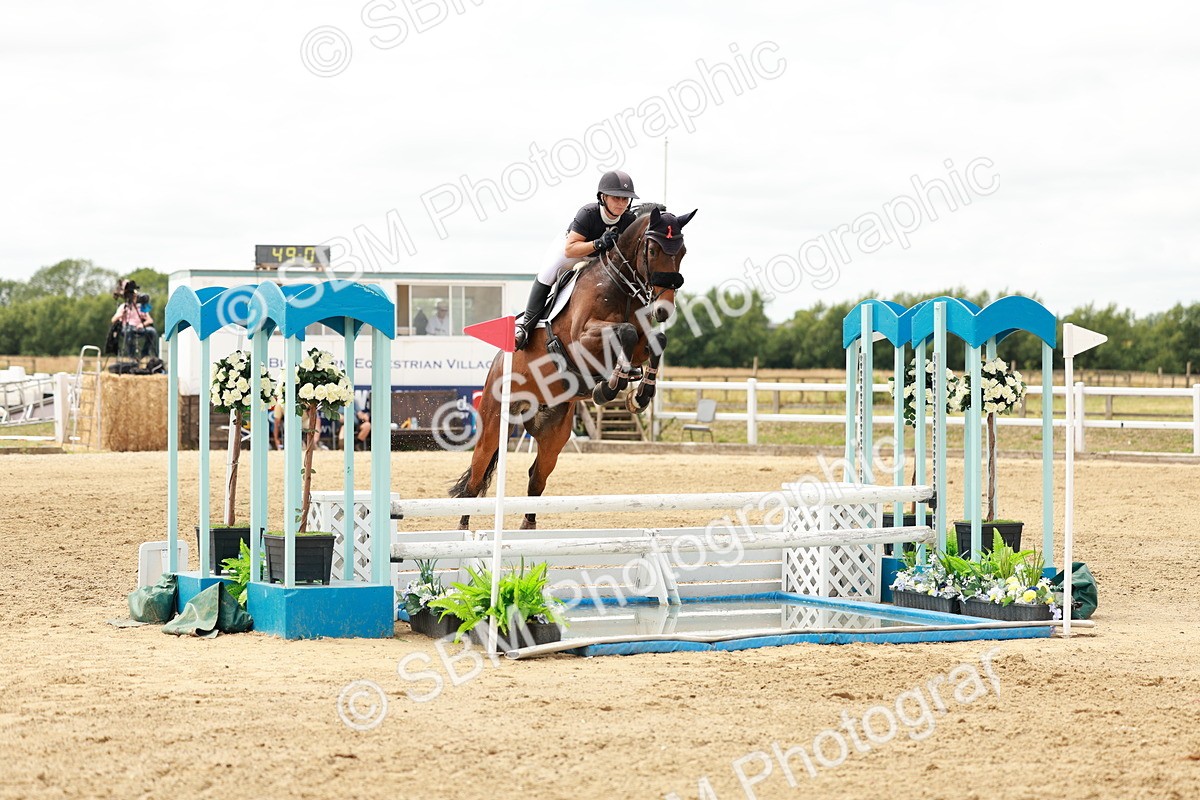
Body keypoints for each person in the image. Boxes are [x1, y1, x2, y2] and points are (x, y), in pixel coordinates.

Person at [514, 170, 641, 350]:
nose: (621, 203)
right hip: (573, 252)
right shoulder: (588, 213)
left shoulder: (628, 220)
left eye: (625, 199)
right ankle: (525, 327)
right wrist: (598, 243)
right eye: (616, 198)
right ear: (603, 197)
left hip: (600, 259)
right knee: (547, 274)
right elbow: (570, 248)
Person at [111, 289, 156, 359]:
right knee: (129, 331)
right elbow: (113, 320)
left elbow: (150, 320)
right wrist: (122, 314)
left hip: (139, 328)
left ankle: (144, 353)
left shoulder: (141, 307)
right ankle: (131, 356)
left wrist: (142, 324)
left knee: (152, 331)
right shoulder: (124, 306)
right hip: (127, 328)